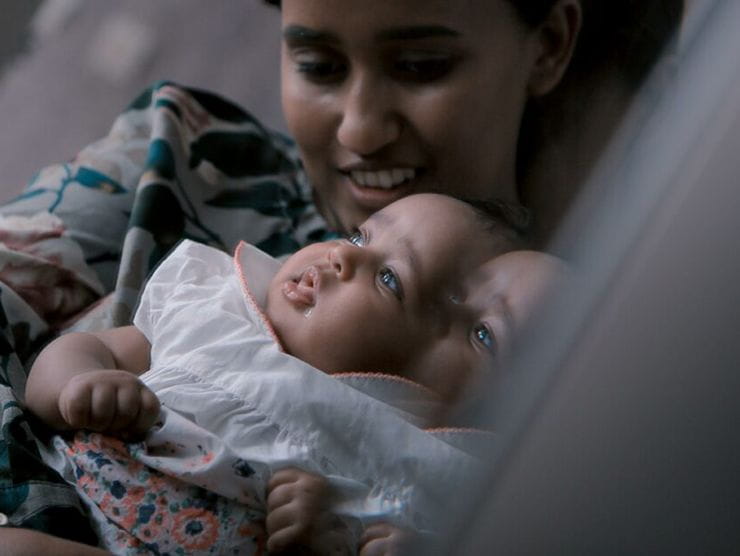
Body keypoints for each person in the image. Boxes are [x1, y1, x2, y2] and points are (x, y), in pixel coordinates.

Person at [0, 0, 683, 552]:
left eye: (421, 65)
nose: (359, 128)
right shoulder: (185, 159)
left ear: (550, 44)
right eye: (318, 65)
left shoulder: (586, 377)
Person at [25, 193, 556, 554]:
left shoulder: (421, 472)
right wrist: (78, 385)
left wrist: (329, 539)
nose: (341, 259)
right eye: (358, 237)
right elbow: (80, 351)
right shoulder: (222, 314)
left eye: (391, 279)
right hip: (72, 512)